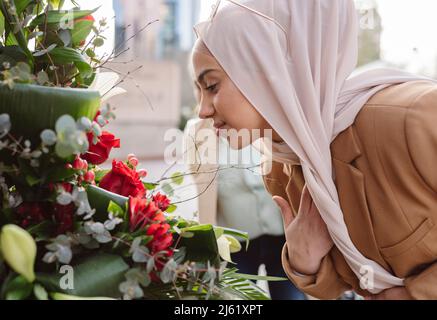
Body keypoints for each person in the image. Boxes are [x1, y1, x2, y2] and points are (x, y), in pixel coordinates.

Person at [190, 0, 437, 300]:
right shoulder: (281, 168)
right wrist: (303, 260)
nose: (202, 110)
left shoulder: (413, 118)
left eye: (212, 85)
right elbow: (341, 283)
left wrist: (414, 294)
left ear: (267, 71)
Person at [184, 117, 306, 300]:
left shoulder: (268, 118)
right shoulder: (199, 131)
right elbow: (197, 178)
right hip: (236, 247)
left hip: (284, 241)